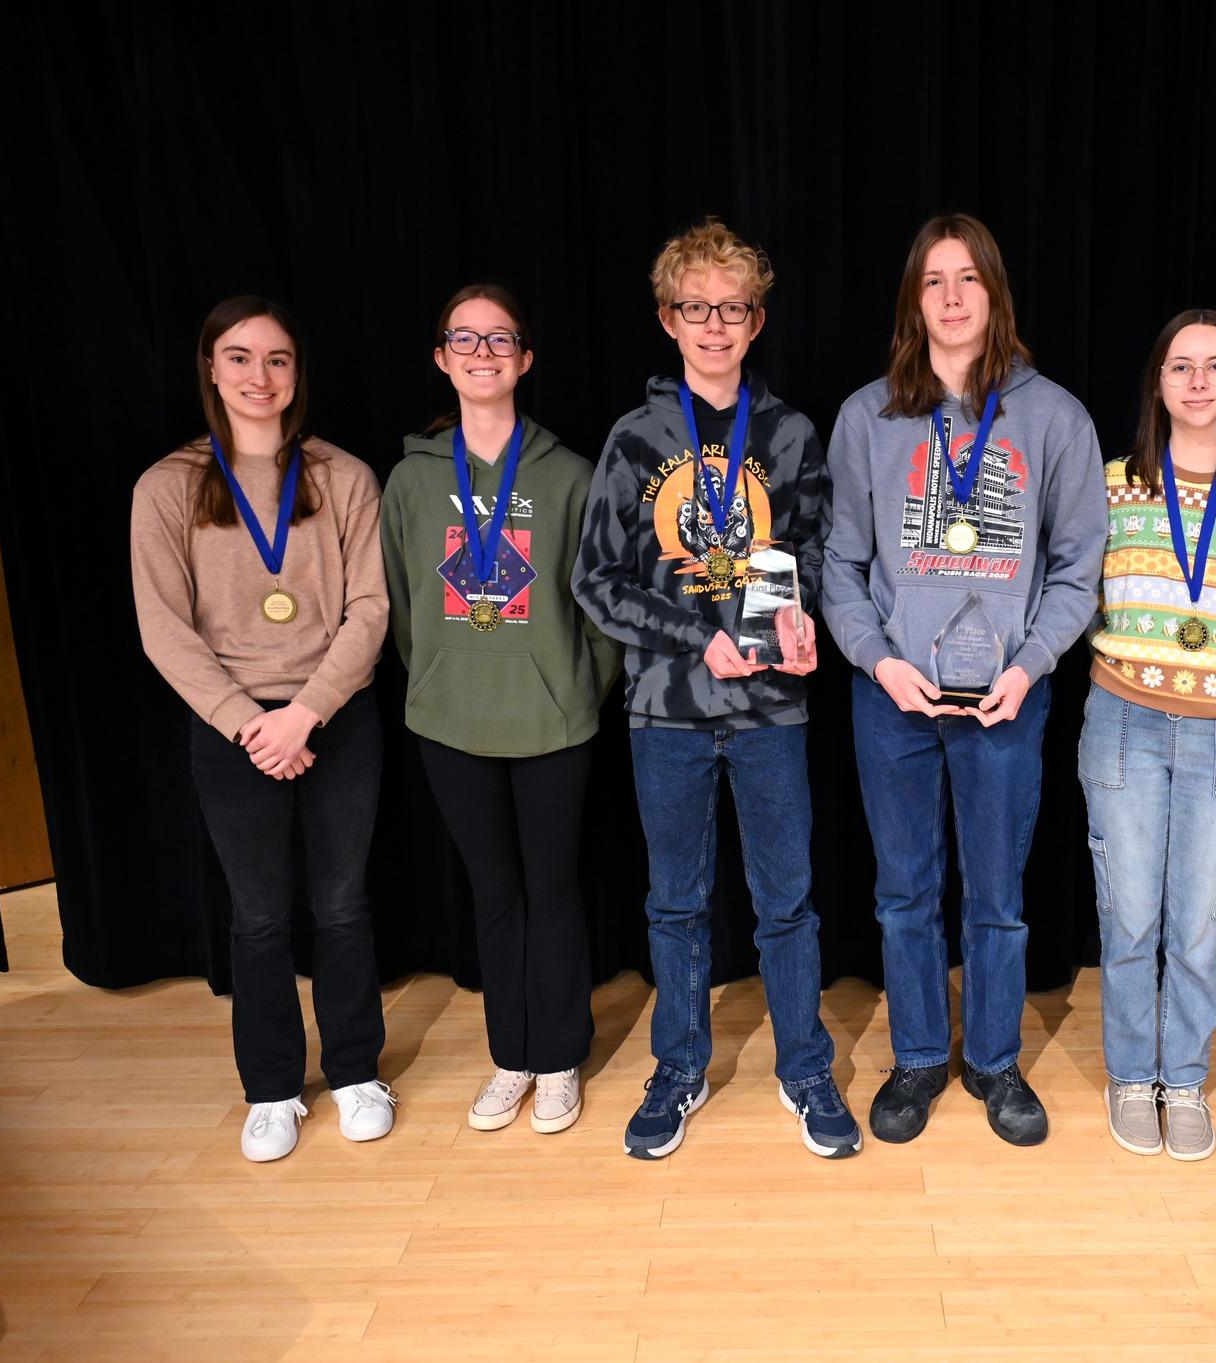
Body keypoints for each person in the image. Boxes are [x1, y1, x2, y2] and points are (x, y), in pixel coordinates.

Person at [572, 219, 860, 1160]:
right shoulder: (633, 439)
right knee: (676, 903)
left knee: (789, 901)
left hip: (773, 708)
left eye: (731, 309)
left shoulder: (789, 433)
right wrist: (702, 641)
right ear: (668, 319)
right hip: (670, 713)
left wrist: (796, 620)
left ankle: (806, 1069)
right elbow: (597, 581)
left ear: (756, 319)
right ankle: (679, 1066)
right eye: (696, 309)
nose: (714, 326)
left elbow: (811, 551)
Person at [823, 212, 1106, 1148]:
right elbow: (842, 566)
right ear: (915, 300)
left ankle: (990, 1058)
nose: (951, 297)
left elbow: (1076, 568)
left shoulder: (1054, 416)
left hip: (1006, 702)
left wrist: (1030, 668)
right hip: (895, 695)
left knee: (997, 895)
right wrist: (879, 659)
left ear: (994, 294)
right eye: (933, 280)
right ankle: (915, 1057)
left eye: (968, 279)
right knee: (904, 892)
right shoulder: (869, 417)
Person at [130, 296, 395, 1163]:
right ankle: (274, 1087)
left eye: (277, 359)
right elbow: (164, 628)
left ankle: (356, 1069)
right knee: (258, 917)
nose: (259, 376)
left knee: (343, 903)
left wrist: (307, 712)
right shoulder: (167, 486)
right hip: (234, 730)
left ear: (297, 375)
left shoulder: (344, 477)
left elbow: (370, 608)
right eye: (240, 358)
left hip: (335, 718)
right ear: (211, 368)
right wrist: (253, 725)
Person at [380, 284, 618, 1139]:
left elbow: (598, 613)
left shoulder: (569, 476)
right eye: (465, 339)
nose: (483, 353)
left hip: (552, 722)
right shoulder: (409, 481)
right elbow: (405, 610)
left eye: (501, 339)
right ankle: (509, 1054)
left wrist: (571, 691)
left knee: (552, 890)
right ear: (442, 358)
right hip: (453, 722)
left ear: (524, 358)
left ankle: (558, 1058)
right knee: (493, 894)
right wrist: (438, 680)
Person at [1080, 309, 1216, 1160]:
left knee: (1201, 921)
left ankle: (1186, 1077)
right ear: (1159, 382)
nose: (1199, 381)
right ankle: (1132, 1075)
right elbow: (1086, 591)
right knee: (1130, 912)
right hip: (1124, 720)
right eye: (1182, 366)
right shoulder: (1111, 484)